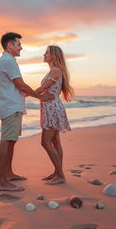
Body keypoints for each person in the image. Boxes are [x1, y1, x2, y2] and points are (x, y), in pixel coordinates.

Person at [0, 32, 54, 192]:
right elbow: (20, 84)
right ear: (10, 45)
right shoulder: (7, 61)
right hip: (9, 106)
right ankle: (2, 182)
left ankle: (8, 174)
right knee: (6, 140)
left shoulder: (7, 60)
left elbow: (18, 86)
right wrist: (39, 96)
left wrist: (32, 94)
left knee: (11, 140)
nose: (21, 47)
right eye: (18, 44)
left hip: (12, 105)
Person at [35, 45, 74, 185]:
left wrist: (23, 93)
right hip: (51, 106)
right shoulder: (54, 70)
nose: (44, 54)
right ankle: (57, 172)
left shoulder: (55, 70)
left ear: (53, 56)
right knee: (55, 141)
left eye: (47, 53)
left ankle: (60, 175)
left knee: (45, 142)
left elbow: (42, 88)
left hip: (52, 107)